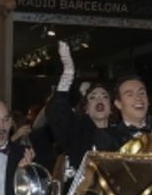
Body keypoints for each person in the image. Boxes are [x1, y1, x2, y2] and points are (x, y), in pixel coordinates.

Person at [46, 42, 114, 171]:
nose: (99, 99)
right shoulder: (77, 135)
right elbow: (57, 113)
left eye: (105, 96)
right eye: (93, 97)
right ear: (86, 109)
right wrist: (68, 74)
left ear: (111, 108)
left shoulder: (121, 135)